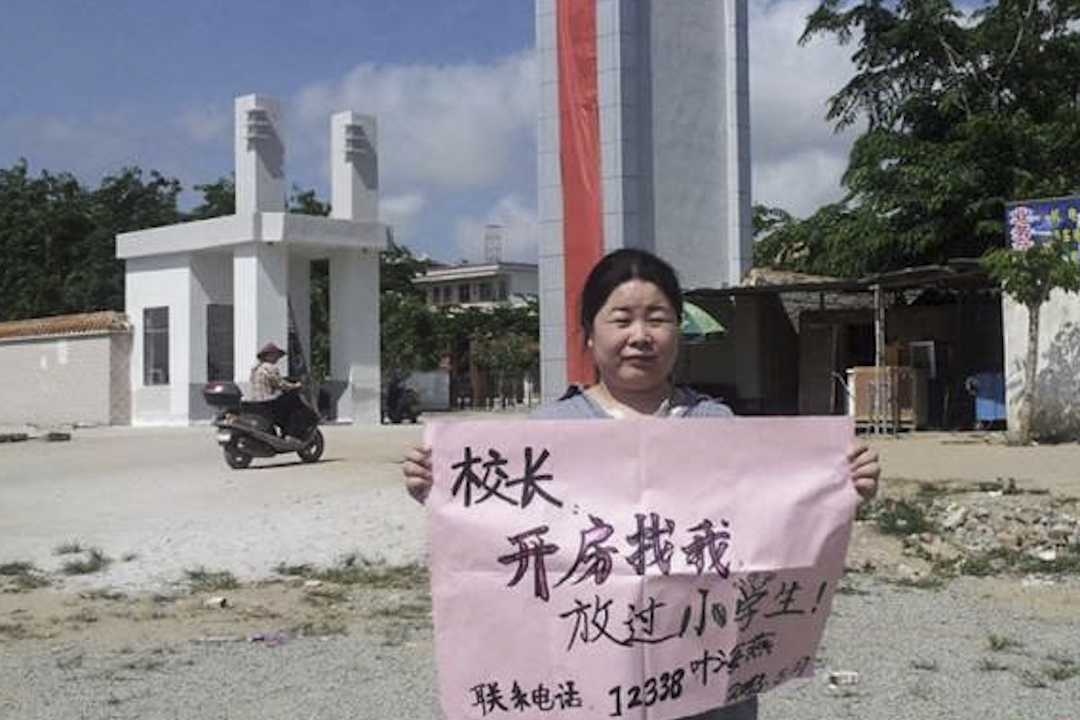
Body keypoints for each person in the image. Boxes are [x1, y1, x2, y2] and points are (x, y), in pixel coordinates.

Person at [402, 248, 880, 720]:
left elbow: (770, 533)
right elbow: (498, 545)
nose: (640, 336)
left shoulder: (719, 426)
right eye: (621, 319)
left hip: (703, 685)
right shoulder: (546, 433)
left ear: (679, 330)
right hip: (584, 686)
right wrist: (439, 486)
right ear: (589, 334)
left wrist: (839, 488)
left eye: (657, 318)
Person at [248, 341, 303, 438]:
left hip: (253, 402)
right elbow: (281, 384)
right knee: (290, 410)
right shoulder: (270, 368)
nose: (277, 358)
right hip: (267, 401)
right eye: (275, 355)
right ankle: (288, 434)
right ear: (268, 356)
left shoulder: (255, 368)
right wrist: (296, 386)